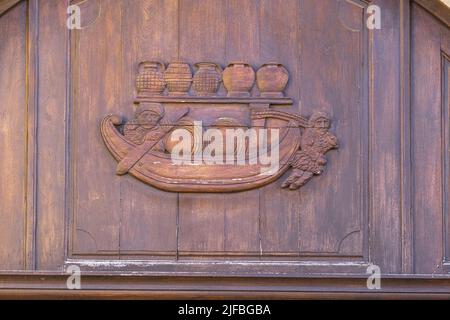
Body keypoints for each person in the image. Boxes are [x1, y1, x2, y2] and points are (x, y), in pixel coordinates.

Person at [281, 111, 338, 190]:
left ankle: (296, 184)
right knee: (298, 172)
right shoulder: (310, 133)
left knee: (307, 174)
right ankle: (288, 182)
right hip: (306, 156)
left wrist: (332, 142)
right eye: (319, 122)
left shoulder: (328, 136)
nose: (323, 126)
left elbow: (333, 144)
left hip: (316, 160)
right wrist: (317, 157)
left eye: (325, 122)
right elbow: (305, 146)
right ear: (313, 123)